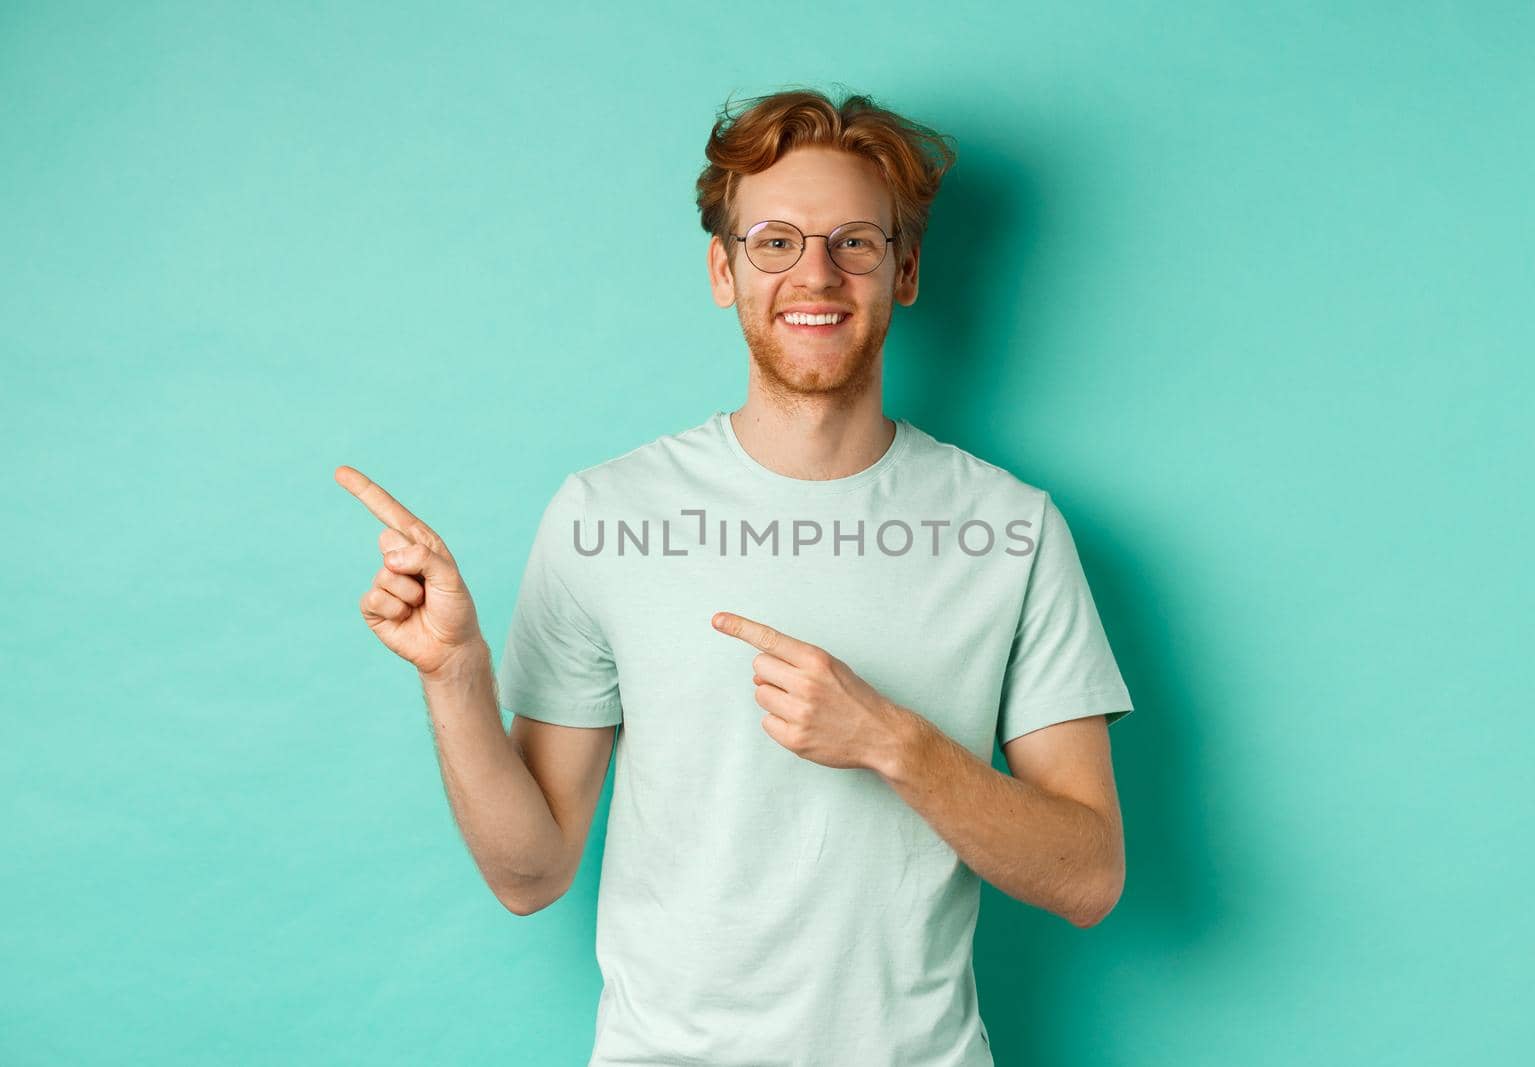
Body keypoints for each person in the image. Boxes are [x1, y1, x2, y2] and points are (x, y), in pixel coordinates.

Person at [336, 87, 1134, 1067]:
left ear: (906, 270)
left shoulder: (1011, 529)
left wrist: (894, 741)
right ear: (723, 268)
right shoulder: (606, 514)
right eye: (774, 241)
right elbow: (529, 871)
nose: (816, 273)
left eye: (855, 242)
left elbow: (1088, 873)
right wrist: (454, 670)